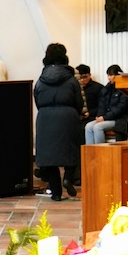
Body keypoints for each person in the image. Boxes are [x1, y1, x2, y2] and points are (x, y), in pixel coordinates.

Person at [33, 43, 82, 201]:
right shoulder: (72, 79)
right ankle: (67, 178)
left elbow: (37, 100)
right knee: (71, 151)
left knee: (48, 157)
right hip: (68, 116)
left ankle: (56, 193)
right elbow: (79, 102)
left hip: (45, 118)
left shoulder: (41, 80)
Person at [84, 65, 128, 144]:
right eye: (108, 75)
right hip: (106, 118)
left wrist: (105, 117)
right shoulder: (107, 89)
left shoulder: (124, 89)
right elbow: (101, 104)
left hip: (118, 120)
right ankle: (90, 150)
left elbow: (121, 108)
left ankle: (100, 149)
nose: (109, 78)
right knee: (88, 126)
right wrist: (100, 115)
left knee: (97, 127)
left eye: (111, 75)